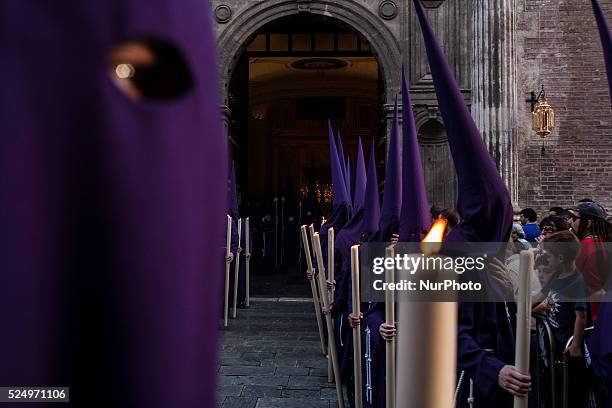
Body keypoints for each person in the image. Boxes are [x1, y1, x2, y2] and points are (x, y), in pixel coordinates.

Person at [533, 231, 590, 407]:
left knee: (571, 391)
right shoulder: (556, 277)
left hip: (568, 346)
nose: (546, 259)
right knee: (553, 387)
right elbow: (541, 296)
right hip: (553, 345)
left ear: (560, 257)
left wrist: (575, 345)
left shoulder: (577, 281)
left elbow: (581, 316)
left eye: (548, 256)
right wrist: (522, 307)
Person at [570, 201, 611, 321]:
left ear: (588, 223)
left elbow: (595, 289)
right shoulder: (602, 241)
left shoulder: (587, 246)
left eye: (574, 218)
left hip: (594, 314)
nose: (571, 222)